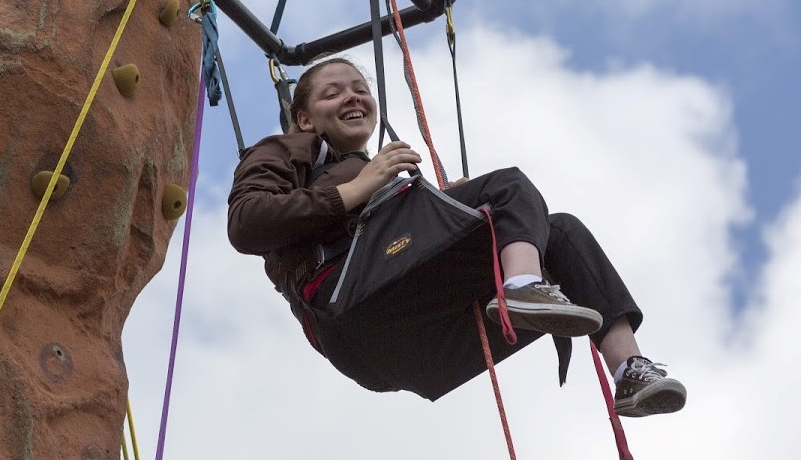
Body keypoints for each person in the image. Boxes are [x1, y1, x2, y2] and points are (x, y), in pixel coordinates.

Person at [227, 57, 686, 416]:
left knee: (560, 230)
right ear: (305, 119)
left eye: (360, 89)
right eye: (333, 93)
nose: (353, 97)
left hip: (406, 340)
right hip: (349, 301)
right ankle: (521, 288)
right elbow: (246, 222)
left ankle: (629, 370)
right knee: (508, 185)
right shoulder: (288, 151)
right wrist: (359, 188)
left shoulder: (371, 174)